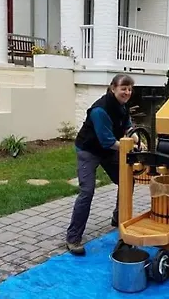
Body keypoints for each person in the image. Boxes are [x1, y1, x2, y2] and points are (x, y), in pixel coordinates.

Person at [66, 74, 139, 256]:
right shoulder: (100, 110)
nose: (127, 92)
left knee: (127, 179)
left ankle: (119, 217)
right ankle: (73, 238)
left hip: (107, 150)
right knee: (87, 191)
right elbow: (108, 141)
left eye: (129, 89)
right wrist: (130, 145)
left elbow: (128, 127)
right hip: (89, 150)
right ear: (113, 88)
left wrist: (136, 138)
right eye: (123, 88)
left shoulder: (122, 106)